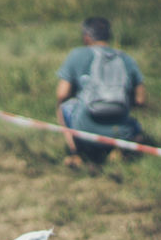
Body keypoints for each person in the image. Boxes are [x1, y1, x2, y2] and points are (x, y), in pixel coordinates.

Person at [55, 17, 149, 168]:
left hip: (85, 128)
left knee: (64, 106)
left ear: (86, 37)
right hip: (121, 131)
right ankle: (118, 149)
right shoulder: (127, 59)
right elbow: (140, 100)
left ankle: (76, 153)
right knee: (133, 123)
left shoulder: (76, 55)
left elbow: (62, 94)